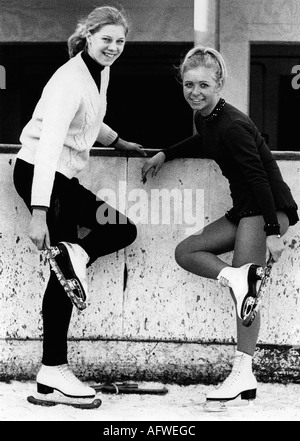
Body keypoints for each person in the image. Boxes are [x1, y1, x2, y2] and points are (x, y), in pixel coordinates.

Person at [141, 46, 299, 404]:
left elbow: (260, 179)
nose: (195, 92)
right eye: (188, 84)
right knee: (188, 251)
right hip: (245, 209)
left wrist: (273, 232)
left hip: (266, 208)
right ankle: (238, 277)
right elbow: (204, 140)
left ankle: (242, 374)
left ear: (220, 84)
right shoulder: (207, 118)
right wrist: (167, 152)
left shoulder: (234, 124)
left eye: (204, 85)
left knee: (245, 297)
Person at [13, 6, 146, 401]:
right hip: (42, 174)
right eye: (106, 39)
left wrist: (117, 141)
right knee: (64, 272)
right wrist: (39, 213)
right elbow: (51, 142)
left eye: (120, 41)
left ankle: (74, 255)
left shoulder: (97, 71)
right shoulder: (69, 80)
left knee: (121, 229)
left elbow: (88, 119)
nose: (114, 47)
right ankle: (54, 370)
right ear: (88, 36)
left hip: (61, 180)